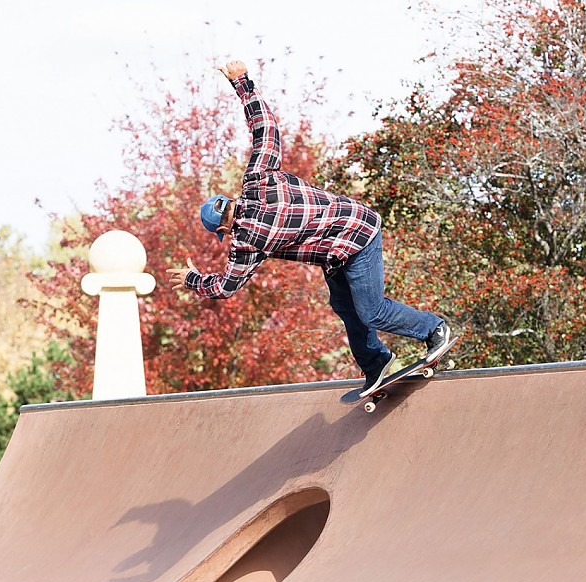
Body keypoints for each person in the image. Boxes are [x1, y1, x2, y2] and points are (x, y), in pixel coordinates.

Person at [167, 60, 454, 396]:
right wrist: (241, 82)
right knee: (345, 307)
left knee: (371, 311)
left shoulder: (245, 244)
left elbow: (225, 288)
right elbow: (266, 129)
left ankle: (434, 329)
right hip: (348, 235)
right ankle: (375, 362)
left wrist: (192, 280)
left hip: (357, 241)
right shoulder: (258, 180)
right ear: (228, 201)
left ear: (224, 231)